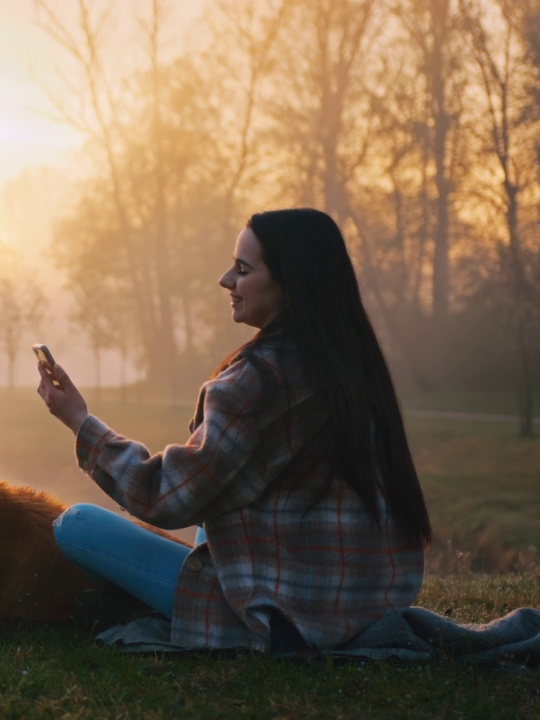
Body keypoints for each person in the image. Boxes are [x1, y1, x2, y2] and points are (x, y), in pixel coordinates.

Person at [36, 208, 431, 653]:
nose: (227, 281)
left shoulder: (257, 380)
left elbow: (163, 495)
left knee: (76, 525)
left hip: (278, 617)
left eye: (243, 270)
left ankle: (153, 607)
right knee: (216, 512)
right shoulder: (351, 363)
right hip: (368, 602)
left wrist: (80, 422)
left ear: (289, 282)